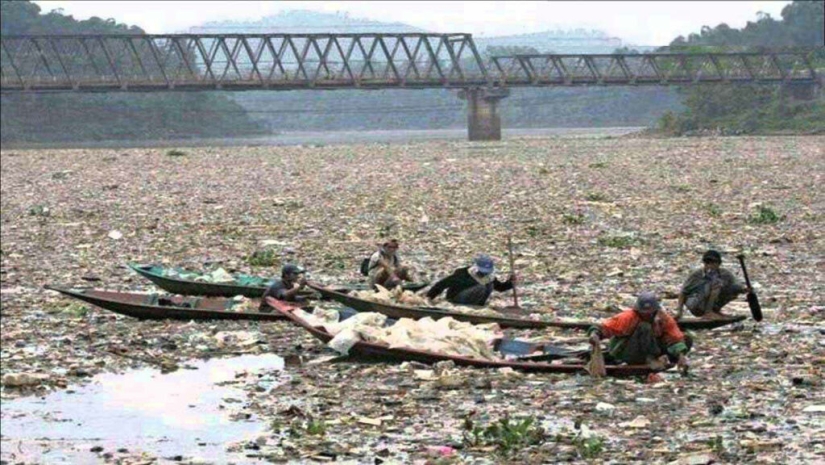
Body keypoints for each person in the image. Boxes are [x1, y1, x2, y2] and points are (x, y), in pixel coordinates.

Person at [588, 292, 691, 373]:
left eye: (650, 313)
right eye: (643, 313)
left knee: (686, 338)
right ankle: (650, 359)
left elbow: (674, 337)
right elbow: (603, 327)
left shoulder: (663, 318)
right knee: (644, 327)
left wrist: (681, 355)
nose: (647, 315)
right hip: (628, 351)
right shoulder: (628, 317)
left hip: (652, 348)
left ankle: (669, 360)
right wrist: (595, 335)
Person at [675, 250, 750, 320]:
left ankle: (715, 311)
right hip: (696, 304)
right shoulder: (697, 275)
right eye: (707, 262)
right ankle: (708, 312)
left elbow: (737, 286)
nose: (710, 265)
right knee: (716, 284)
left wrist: (745, 290)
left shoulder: (725, 274)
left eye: (713, 262)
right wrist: (679, 312)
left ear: (719, 264)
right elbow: (683, 293)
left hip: (709, 302)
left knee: (733, 288)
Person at [425, 254, 515, 306]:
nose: (483, 274)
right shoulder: (463, 273)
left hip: (472, 300)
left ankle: (478, 305)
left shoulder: (488, 277)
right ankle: (469, 306)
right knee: (481, 287)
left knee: (489, 285)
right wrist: (430, 297)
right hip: (456, 298)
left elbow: (500, 287)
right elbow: (442, 284)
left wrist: (511, 282)